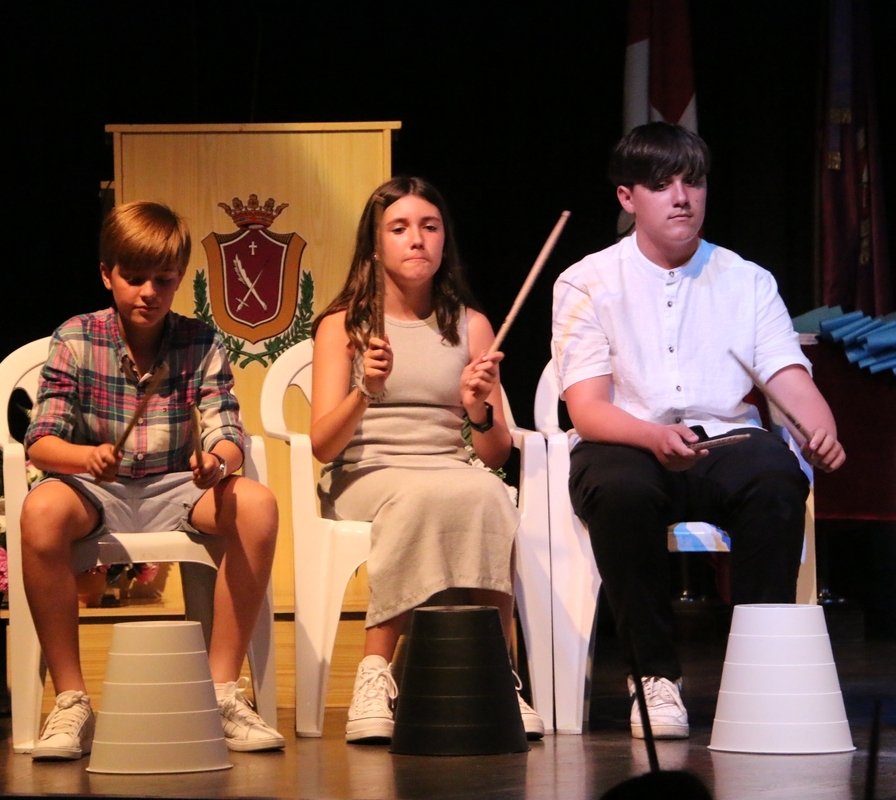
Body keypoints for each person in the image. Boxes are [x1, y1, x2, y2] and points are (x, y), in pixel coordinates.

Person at [553, 122, 845, 740]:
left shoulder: (747, 280)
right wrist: (653, 437)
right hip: (626, 441)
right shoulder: (586, 280)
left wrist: (820, 430)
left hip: (724, 441)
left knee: (775, 479)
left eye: (694, 182)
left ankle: (758, 669)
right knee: (621, 492)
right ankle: (653, 676)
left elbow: (789, 380)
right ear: (628, 197)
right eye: (663, 185)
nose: (682, 198)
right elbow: (587, 409)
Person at [19, 200, 283, 760]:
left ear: (179, 277)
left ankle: (219, 692)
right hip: (97, 490)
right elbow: (41, 440)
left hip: (176, 489)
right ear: (106, 274)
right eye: (134, 278)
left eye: (163, 280)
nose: (148, 293)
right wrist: (87, 457)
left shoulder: (199, 341)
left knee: (258, 505)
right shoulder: (75, 337)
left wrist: (218, 463)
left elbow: (226, 427)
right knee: (40, 511)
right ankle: (71, 700)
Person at [310, 177, 544, 744]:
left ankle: (499, 673)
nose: (417, 239)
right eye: (399, 228)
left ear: (444, 240)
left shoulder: (471, 324)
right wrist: (365, 390)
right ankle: (375, 673)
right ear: (375, 245)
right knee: (418, 495)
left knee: (489, 492)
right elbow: (322, 445)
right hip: (365, 471)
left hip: (448, 466)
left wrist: (478, 409)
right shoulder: (343, 325)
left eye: (429, 226)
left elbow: (494, 452)